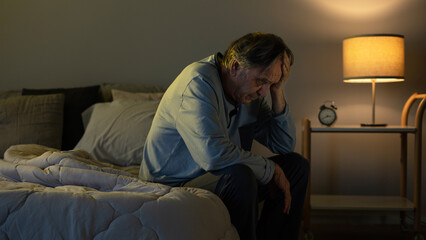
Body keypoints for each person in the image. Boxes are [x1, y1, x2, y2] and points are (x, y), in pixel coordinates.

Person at [139, 32, 309, 240]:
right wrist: (269, 169)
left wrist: (278, 91)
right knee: (240, 176)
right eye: (261, 81)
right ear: (236, 67)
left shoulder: (249, 93)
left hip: (212, 177)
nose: (263, 92)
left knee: (296, 166)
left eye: (270, 84)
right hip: (172, 185)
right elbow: (213, 155)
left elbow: (284, 145)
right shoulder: (198, 82)